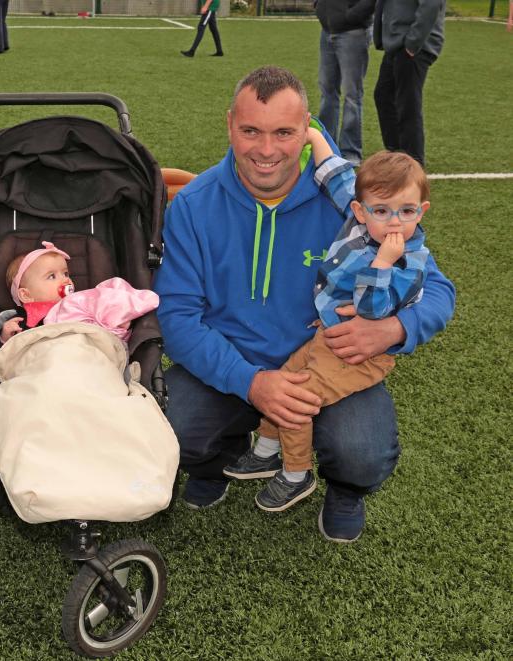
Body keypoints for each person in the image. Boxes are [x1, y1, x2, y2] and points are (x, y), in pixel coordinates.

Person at [153, 66, 454, 542]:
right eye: (251, 130)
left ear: (307, 131)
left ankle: (345, 490)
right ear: (230, 124)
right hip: (232, 364)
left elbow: (438, 288)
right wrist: (250, 381)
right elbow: (176, 316)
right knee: (170, 426)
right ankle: (218, 461)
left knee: (362, 449)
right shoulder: (193, 204)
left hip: (326, 360)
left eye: (284, 133)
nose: (267, 150)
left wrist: (393, 330)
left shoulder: (353, 201)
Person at [227, 130, 435, 515]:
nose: (394, 222)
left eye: (407, 212)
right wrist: (312, 136)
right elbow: (338, 176)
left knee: (295, 399)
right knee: (286, 374)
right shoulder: (359, 220)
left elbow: (373, 311)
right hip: (326, 335)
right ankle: (268, 450)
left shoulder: (408, 260)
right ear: (360, 210)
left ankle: (296, 473)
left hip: (358, 353)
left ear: (421, 211)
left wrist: (382, 265)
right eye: (382, 210)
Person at [0, 242, 158, 344]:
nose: (66, 280)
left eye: (66, 274)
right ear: (26, 295)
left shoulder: (81, 303)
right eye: (51, 276)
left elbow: (105, 306)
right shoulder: (14, 318)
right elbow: (2, 355)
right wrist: (5, 338)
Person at [373, 0, 445, 167]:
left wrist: (412, 44)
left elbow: (431, 4)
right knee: (383, 96)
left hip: (412, 47)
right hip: (397, 44)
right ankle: (397, 156)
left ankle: (413, 164)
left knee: (408, 105)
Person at [315, 0, 376, 166]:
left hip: (353, 33)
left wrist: (351, 16)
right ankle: (325, 146)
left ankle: (350, 152)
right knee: (327, 91)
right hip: (327, 30)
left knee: (352, 95)